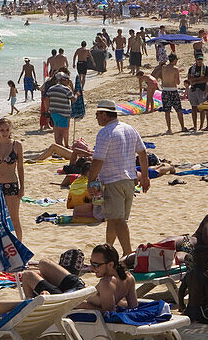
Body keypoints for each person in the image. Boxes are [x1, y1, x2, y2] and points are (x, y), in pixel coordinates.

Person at [86, 100, 150, 255]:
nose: (96, 117)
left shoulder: (105, 133)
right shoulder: (129, 129)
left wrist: (90, 181)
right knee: (114, 218)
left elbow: (98, 160)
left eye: (98, 114)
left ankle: (128, 254)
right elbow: (142, 153)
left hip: (112, 181)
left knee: (118, 220)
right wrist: (145, 177)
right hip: (129, 181)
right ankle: (108, 248)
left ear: (105, 114)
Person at [0, 117, 25, 239]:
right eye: (2, 130)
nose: (4, 132)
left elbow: (20, 168)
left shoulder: (16, 145)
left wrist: (22, 187)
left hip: (12, 184)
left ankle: (19, 245)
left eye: (7, 130)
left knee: (14, 218)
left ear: (10, 130)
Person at [45, 72, 75, 147]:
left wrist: (47, 110)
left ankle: (58, 146)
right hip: (63, 113)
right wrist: (77, 94)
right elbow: (73, 99)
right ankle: (59, 148)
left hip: (54, 113)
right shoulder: (66, 89)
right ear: (63, 80)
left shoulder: (51, 88)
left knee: (56, 131)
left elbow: (47, 100)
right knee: (61, 132)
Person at [159, 54, 187, 133]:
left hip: (165, 90)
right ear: (175, 60)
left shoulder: (163, 68)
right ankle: (182, 127)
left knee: (167, 111)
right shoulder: (175, 69)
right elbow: (178, 82)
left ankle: (169, 129)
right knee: (178, 110)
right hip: (173, 90)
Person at [186, 56, 208, 132]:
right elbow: (189, 79)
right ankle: (195, 126)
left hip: (202, 89)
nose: (199, 61)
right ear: (196, 60)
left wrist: (196, 81)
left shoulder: (205, 68)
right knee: (193, 108)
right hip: (193, 89)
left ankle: (201, 126)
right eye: (198, 59)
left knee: (202, 108)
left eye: (201, 59)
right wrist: (199, 79)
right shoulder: (192, 68)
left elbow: (206, 79)